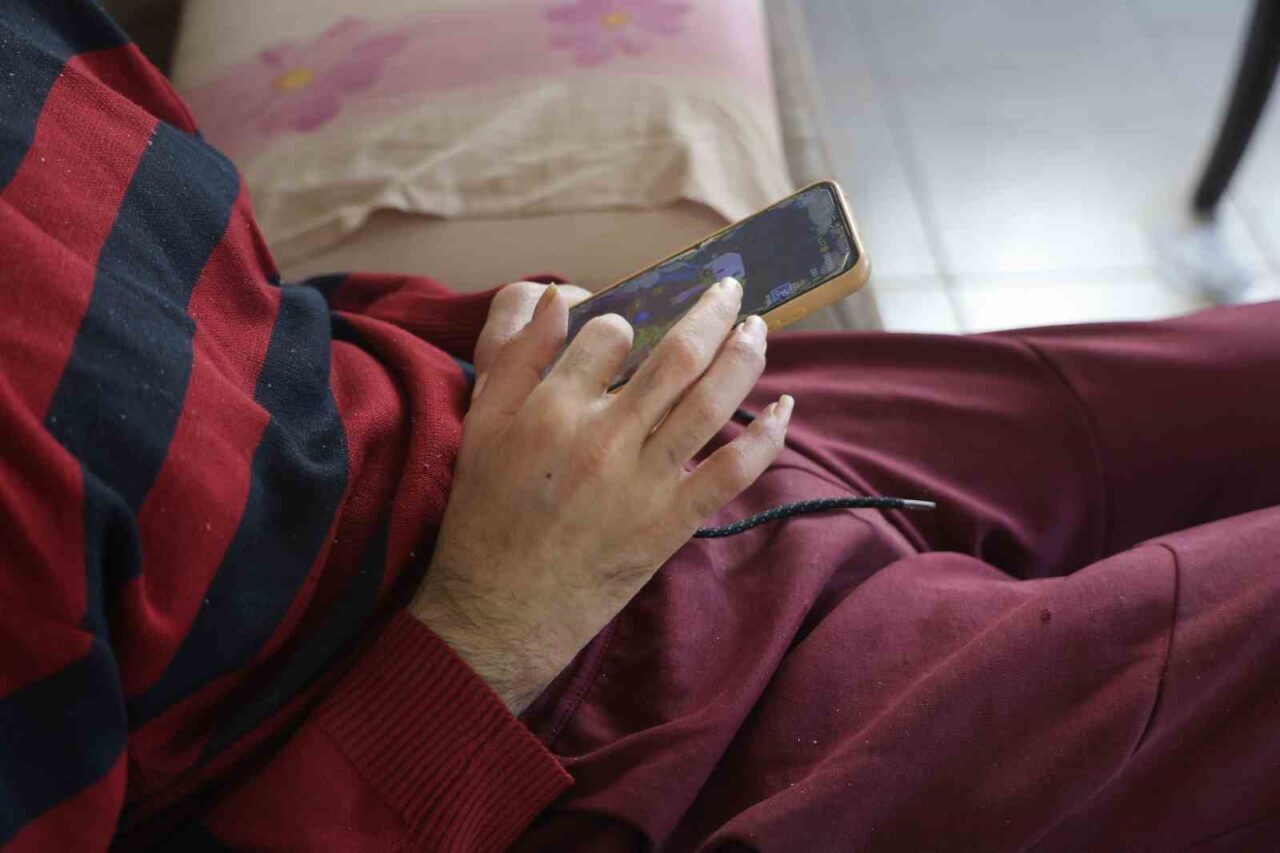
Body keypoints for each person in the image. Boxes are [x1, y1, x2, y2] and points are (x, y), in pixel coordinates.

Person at [2, 2, 1279, 851]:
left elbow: (227, 305)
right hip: (561, 736)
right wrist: (498, 617)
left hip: (548, 445)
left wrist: (495, 345)